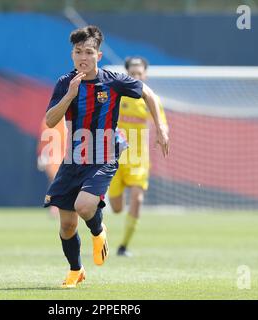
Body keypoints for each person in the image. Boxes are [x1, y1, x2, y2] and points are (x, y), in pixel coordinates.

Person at [43, 26, 169, 288]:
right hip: (73, 159)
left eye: (89, 52)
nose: (83, 58)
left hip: (104, 156)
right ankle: (76, 270)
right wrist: (69, 96)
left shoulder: (113, 80)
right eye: (78, 52)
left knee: (84, 206)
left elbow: (149, 94)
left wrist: (161, 128)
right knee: (66, 224)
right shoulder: (65, 83)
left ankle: (98, 230)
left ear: (98, 56)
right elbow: (50, 119)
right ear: (72, 55)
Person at [108, 57, 169, 257]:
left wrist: (163, 133)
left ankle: (123, 247)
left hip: (138, 159)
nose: (136, 77)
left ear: (145, 75)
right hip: (115, 158)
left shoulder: (151, 99)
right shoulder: (116, 96)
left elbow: (162, 124)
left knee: (138, 198)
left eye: (139, 73)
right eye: (132, 73)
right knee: (116, 208)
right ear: (126, 74)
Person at [37, 116, 67, 218]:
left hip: (68, 155)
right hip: (54, 156)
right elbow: (44, 137)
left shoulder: (73, 116)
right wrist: (42, 155)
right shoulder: (50, 117)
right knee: (55, 180)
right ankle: (54, 206)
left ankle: (62, 206)